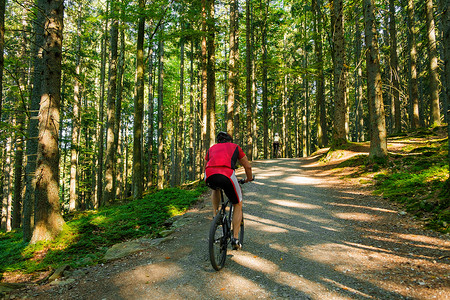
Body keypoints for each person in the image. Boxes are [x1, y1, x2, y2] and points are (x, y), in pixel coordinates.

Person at [205, 131, 253, 250]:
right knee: (238, 203)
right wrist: (249, 178)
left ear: (218, 141)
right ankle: (235, 238)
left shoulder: (211, 149)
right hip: (226, 174)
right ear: (230, 140)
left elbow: (205, 164)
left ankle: (215, 215)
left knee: (215, 188)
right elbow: (247, 166)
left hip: (209, 174)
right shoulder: (235, 147)